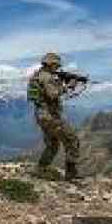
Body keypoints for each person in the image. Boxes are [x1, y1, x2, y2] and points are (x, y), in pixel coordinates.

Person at [27, 52, 81, 181]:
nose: (57, 68)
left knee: (53, 144)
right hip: (50, 116)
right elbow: (52, 94)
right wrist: (68, 86)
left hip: (42, 115)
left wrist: (61, 81)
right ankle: (71, 173)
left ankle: (41, 168)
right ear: (51, 64)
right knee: (72, 139)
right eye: (56, 66)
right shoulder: (47, 77)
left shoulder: (39, 75)